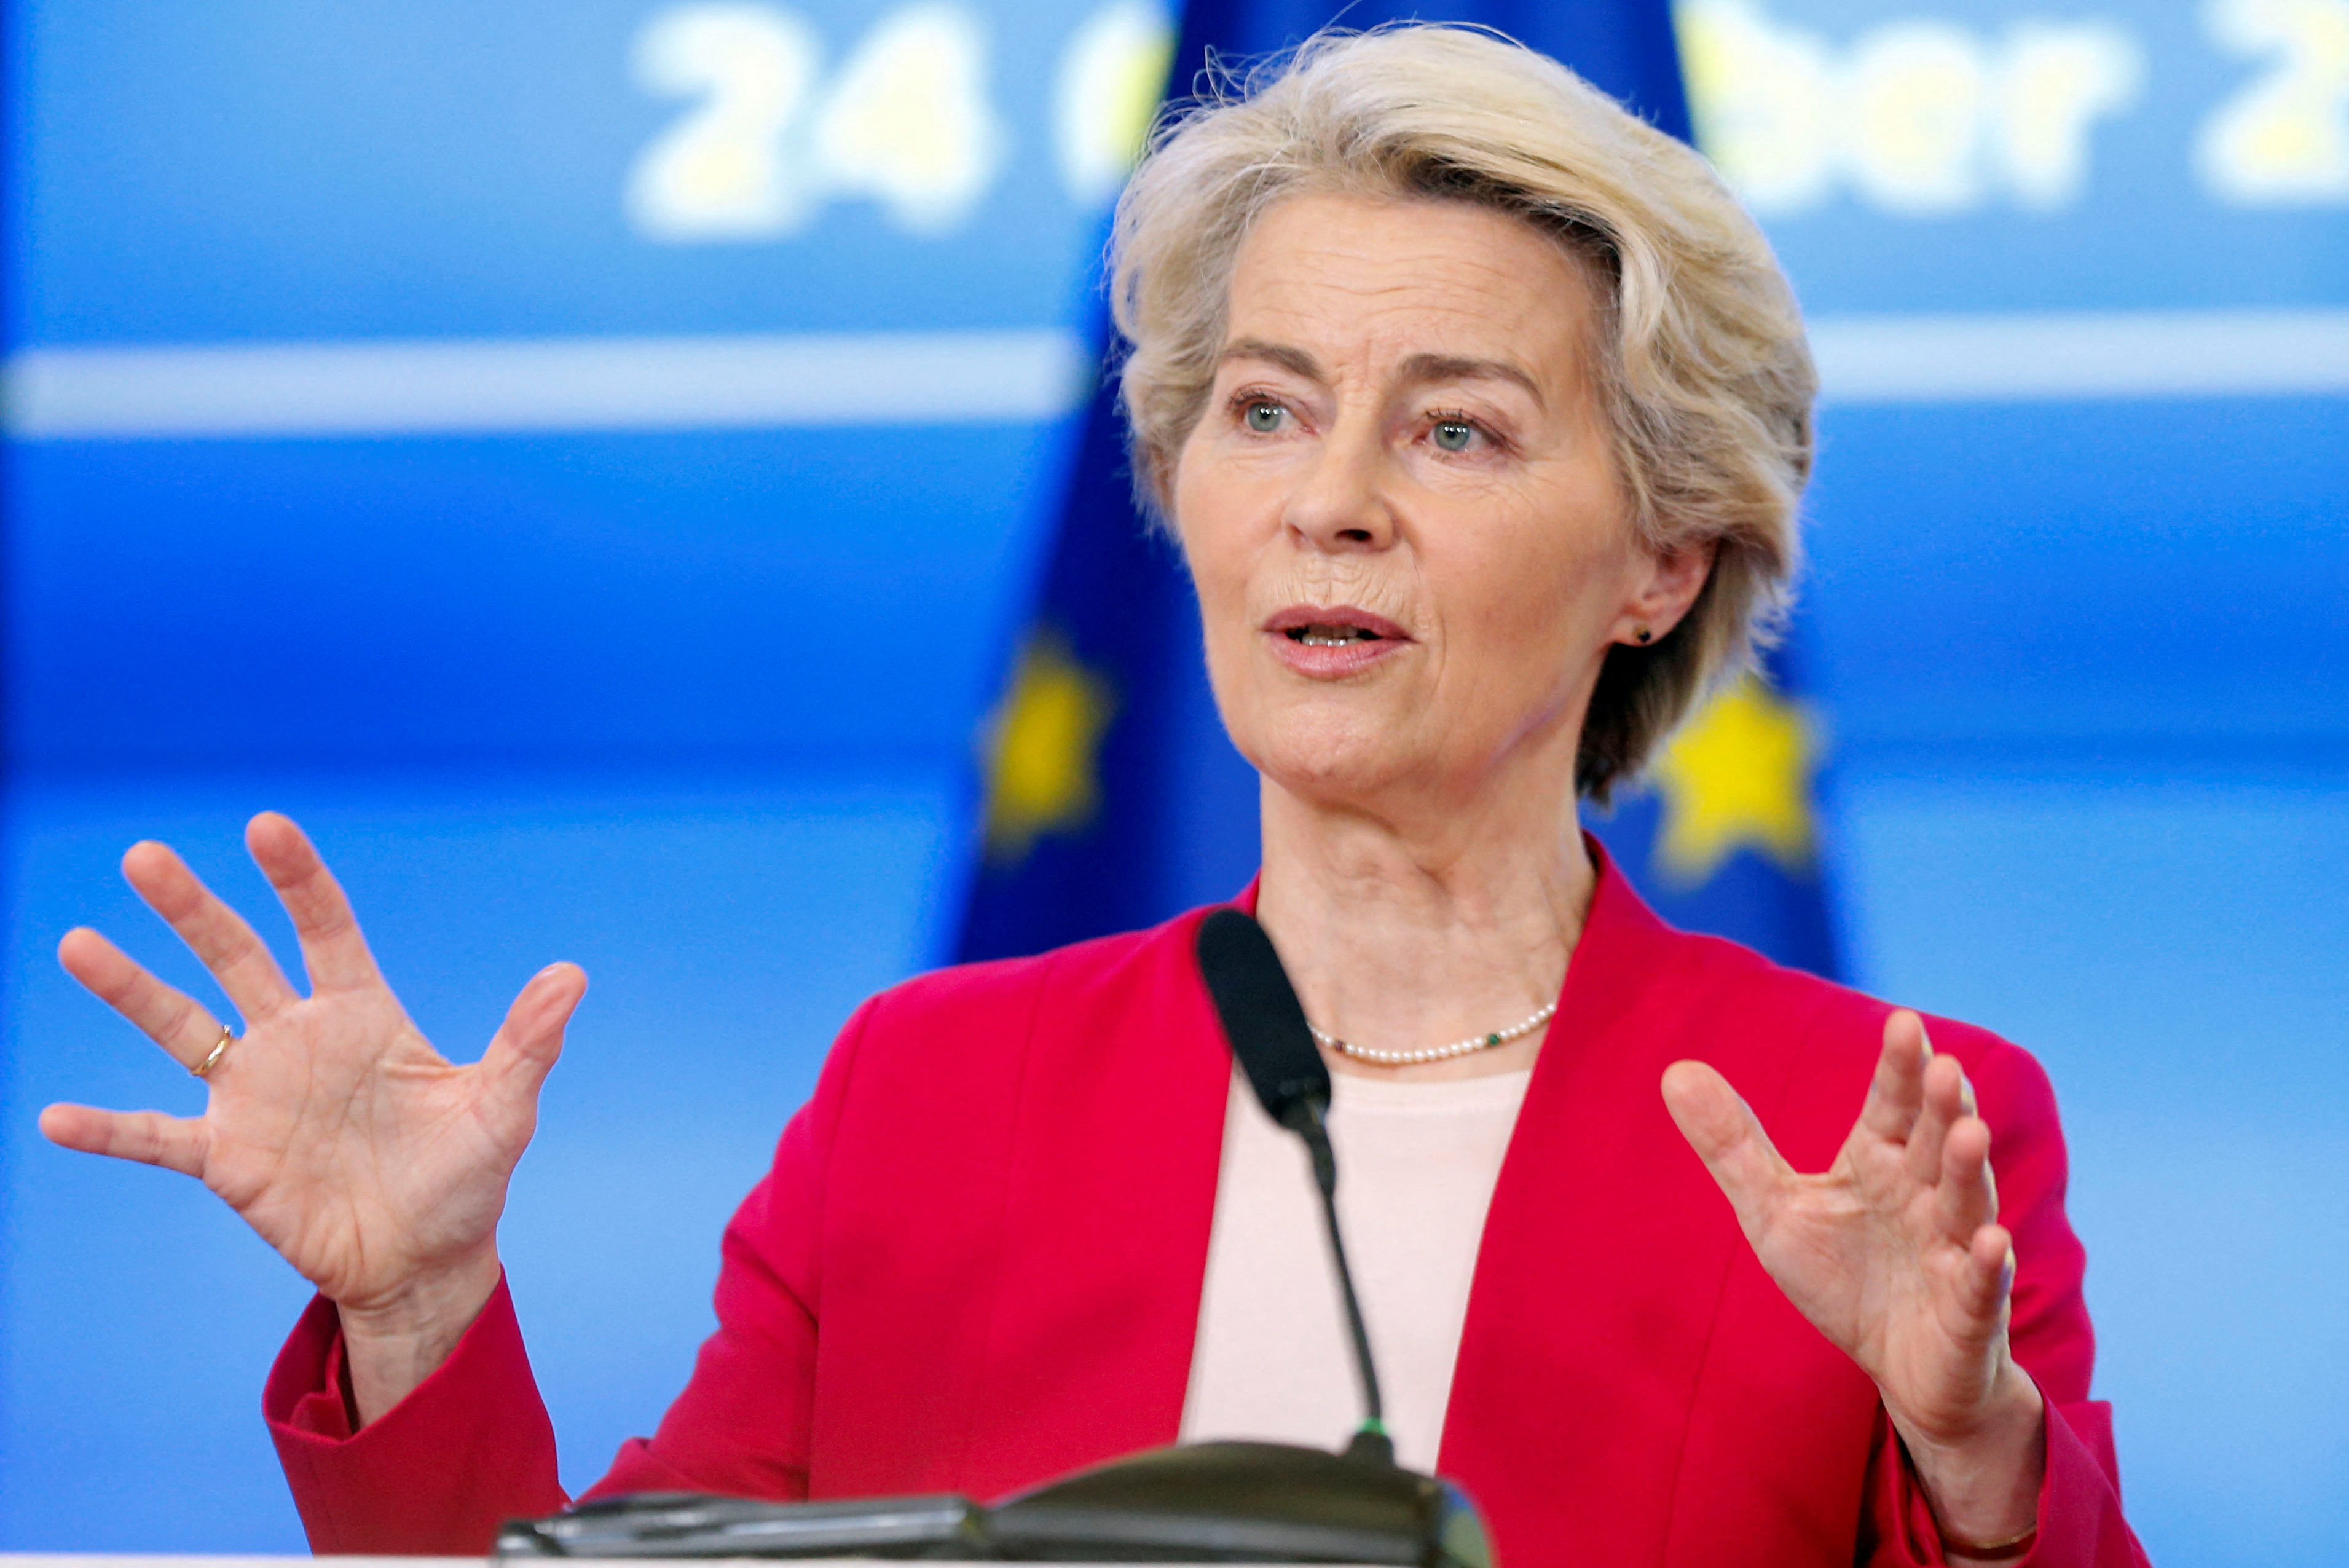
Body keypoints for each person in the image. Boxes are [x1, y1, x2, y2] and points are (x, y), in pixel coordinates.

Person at [40, 25, 2149, 1568]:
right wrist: (419, 1314)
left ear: (1661, 556)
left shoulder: (1885, 1130)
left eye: (1459, 433)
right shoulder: (934, 1097)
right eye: (1264, 410)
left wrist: (1974, 1468)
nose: (1329, 504)